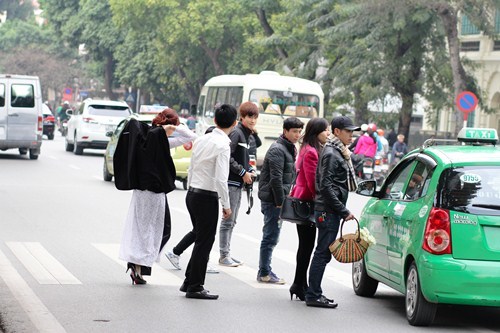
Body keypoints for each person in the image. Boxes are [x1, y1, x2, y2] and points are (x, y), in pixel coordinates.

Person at [117, 108, 195, 285]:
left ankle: (137, 266)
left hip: (140, 191)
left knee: (141, 229)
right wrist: (176, 127)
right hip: (154, 193)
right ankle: (138, 264)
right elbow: (190, 137)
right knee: (155, 230)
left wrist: (166, 129)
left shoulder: (143, 139)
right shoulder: (160, 141)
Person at [181, 104, 237, 300]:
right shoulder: (223, 145)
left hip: (193, 194)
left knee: (200, 239)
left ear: (214, 121)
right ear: (235, 123)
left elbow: (192, 167)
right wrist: (227, 205)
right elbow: (221, 179)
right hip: (206, 197)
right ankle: (195, 286)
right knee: (204, 242)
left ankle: (189, 281)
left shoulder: (202, 139)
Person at [305, 115, 359, 308]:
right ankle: (313, 295)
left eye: (353, 132)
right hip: (328, 211)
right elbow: (326, 187)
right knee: (322, 253)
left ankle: (315, 293)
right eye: (348, 132)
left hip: (329, 210)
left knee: (322, 253)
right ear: (337, 132)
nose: (351, 136)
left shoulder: (338, 151)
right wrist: (343, 211)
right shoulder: (332, 153)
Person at [165, 126, 219, 274]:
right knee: (204, 233)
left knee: (199, 231)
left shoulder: (201, 149)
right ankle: (196, 261)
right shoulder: (210, 148)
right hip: (203, 196)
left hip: (193, 194)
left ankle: (176, 252)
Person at [257, 117, 304, 284]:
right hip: (273, 200)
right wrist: (279, 201)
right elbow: (276, 179)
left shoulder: (289, 147)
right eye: (294, 131)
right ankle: (264, 273)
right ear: (285, 131)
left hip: (279, 198)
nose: (297, 135)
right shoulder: (278, 149)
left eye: (299, 131)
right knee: (270, 236)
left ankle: (264, 271)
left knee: (272, 236)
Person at [289, 117, 330, 301]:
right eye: (325, 130)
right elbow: (313, 182)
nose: (328, 134)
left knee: (305, 246)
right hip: (307, 203)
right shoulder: (311, 152)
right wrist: (320, 202)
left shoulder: (307, 148)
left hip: (303, 200)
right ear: (316, 132)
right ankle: (299, 284)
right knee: (306, 247)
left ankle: (300, 283)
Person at [219, 101, 259, 267]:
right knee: (228, 220)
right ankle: (224, 255)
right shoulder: (237, 133)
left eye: (255, 117)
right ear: (241, 117)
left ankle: (226, 253)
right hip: (231, 181)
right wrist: (243, 172)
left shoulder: (247, 134)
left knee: (232, 220)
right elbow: (227, 156)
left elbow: (242, 158)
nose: (252, 120)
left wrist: (249, 170)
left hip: (237, 182)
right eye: (249, 116)